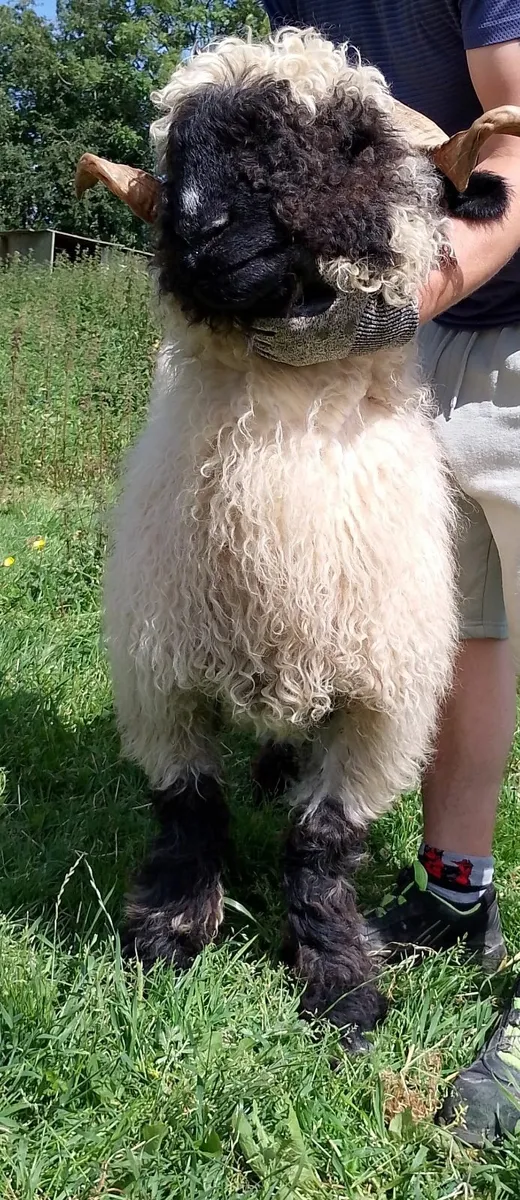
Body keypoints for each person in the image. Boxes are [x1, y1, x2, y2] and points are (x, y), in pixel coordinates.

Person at [255, 0, 520, 1147]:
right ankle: (460, 896)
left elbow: (515, 135)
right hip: (420, 337)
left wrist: (399, 295)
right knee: (456, 627)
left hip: (481, 299)